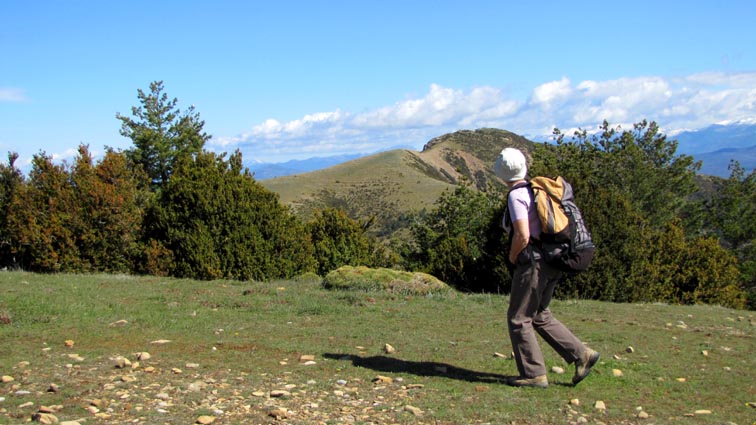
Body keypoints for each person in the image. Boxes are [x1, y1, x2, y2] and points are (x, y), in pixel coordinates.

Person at [494, 147, 599, 388]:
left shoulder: (516, 196)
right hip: (554, 259)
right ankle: (582, 354)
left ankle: (534, 374)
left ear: (501, 173)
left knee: (519, 318)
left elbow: (522, 234)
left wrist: (512, 257)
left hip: (534, 264)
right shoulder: (537, 189)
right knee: (539, 313)